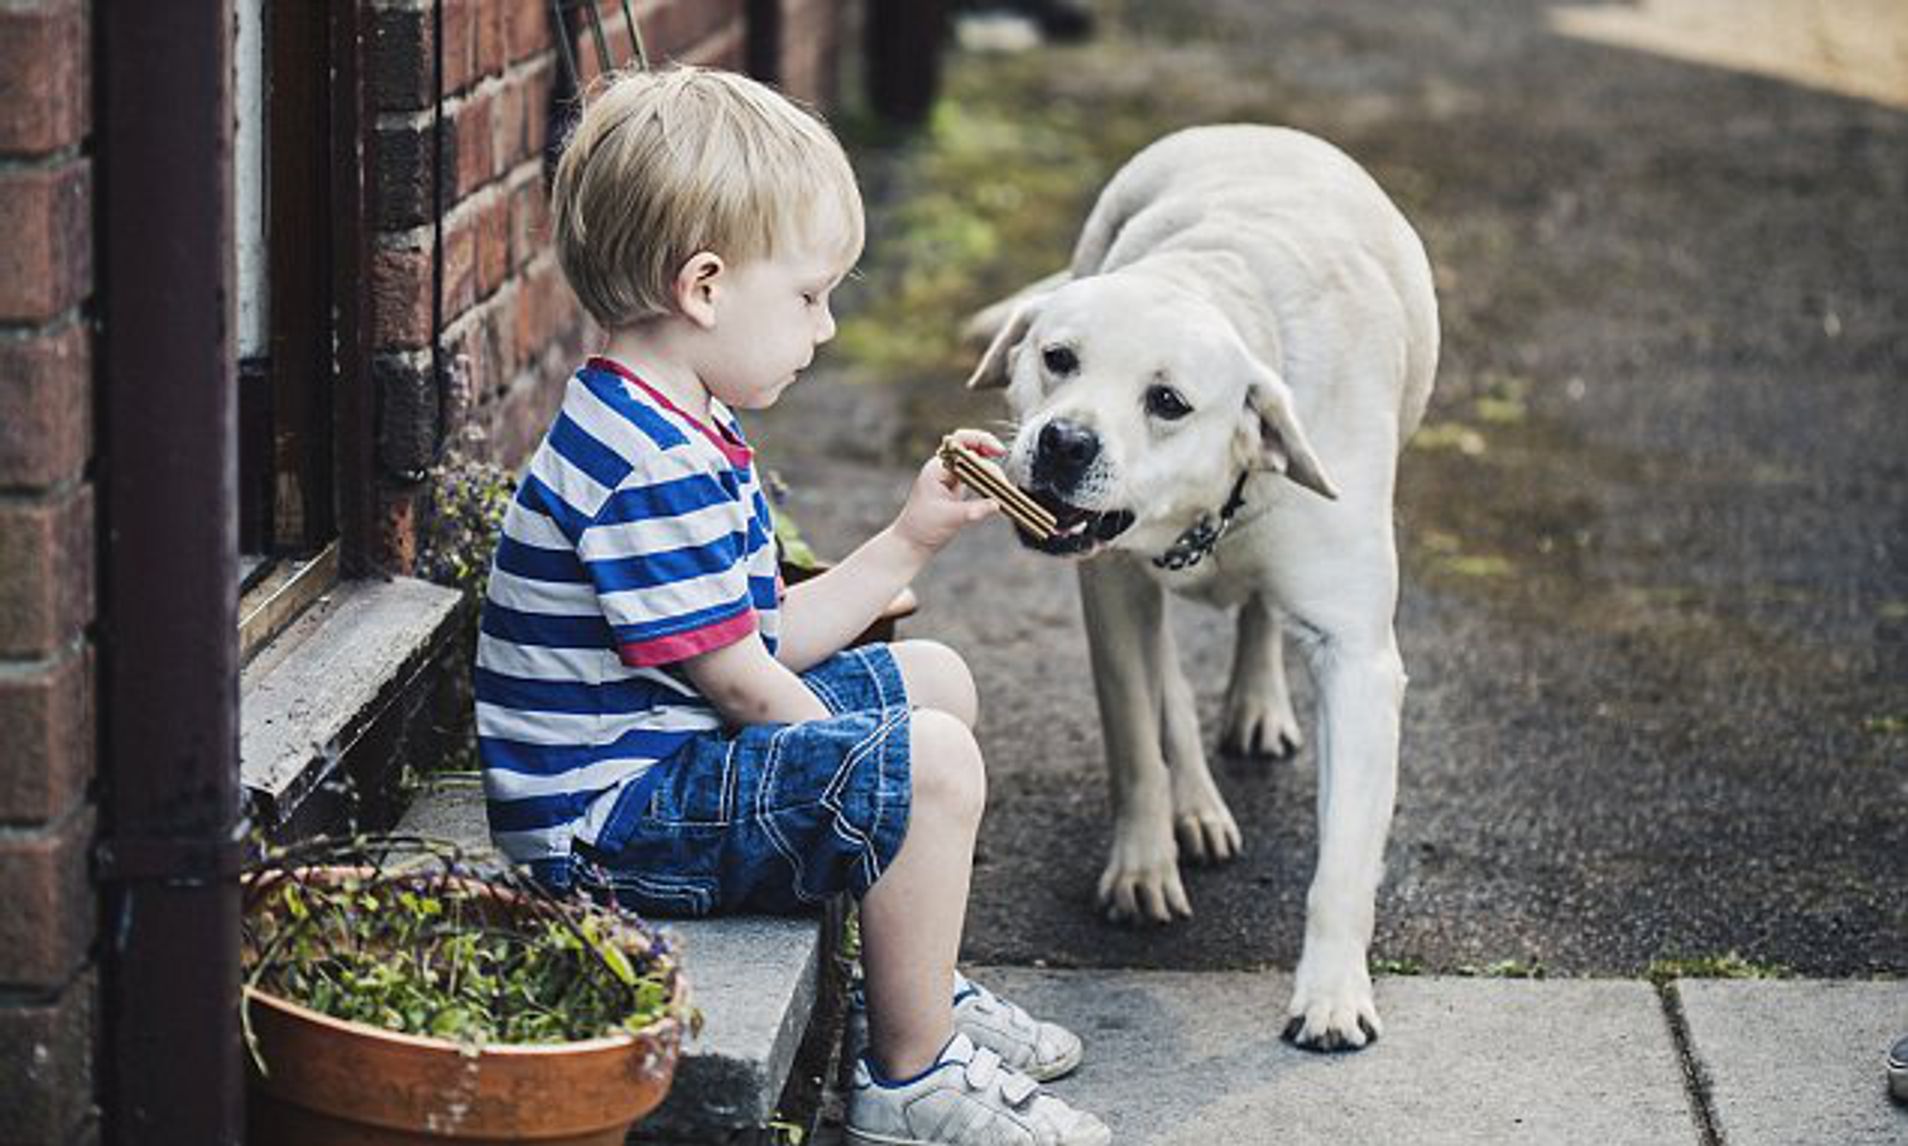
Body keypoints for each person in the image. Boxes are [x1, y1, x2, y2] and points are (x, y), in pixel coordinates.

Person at [474, 65, 1111, 1146]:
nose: (824, 330)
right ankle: (909, 1079)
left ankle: (923, 983)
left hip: (666, 763)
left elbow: (758, 636)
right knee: (930, 761)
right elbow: (738, 681)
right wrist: (878, 775)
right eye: (811, 296)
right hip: (611, 832)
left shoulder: (674, 421)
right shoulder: (645, 464)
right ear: (707, 288)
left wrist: (911, 534)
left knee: (935, 681)